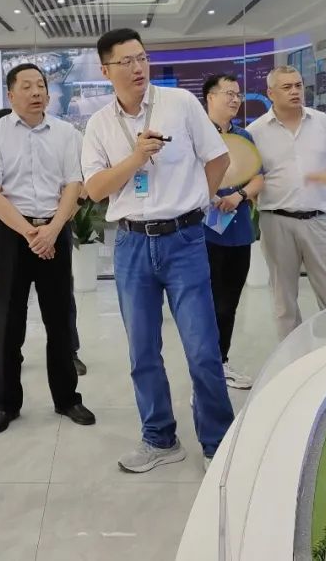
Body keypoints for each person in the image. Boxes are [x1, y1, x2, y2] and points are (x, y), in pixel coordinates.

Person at [81, 28, 234, 472]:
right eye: (126, 61)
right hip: (131, 244)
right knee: (143, 351)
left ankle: (218, 442)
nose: (138, 68)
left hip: (184, 240)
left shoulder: (180, 103)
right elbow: (95, 189)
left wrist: (198, 203)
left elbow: (218, 158)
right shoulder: (99, 124)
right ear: (106, 70)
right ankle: (159, 438)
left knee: (203, 349)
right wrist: (134, 158)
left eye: (142, 58)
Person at [0, 64, 95, 434]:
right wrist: (31, 233)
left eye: (41, 85)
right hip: (11, 233)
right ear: (10, 95)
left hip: (54, 228)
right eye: (26, 86)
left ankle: (67, 399)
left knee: (59, 319)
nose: (36, 92)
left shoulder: (65, 133)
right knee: (8, 321)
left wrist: (52, 230)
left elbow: (73, 185)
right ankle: (6, 403)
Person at [247, 66, 326, 341]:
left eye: (298, 85)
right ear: (270, 93)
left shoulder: (321, 122)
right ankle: (294, 358)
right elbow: (252, 178)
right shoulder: (255, 131)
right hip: (276, 221)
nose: (295, 91)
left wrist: (323, 180)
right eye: (287, 87)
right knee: (284, 302)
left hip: (320, 220)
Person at [201, 74, 263, 389]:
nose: (235, 99)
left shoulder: (244, 136)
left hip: (238, 232)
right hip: (205, 234)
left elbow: (258, 178)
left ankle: (221, 362)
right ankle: (206, 367)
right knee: (208, 303)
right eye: (228, 93)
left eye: (238, 94)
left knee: (229, 303)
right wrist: (212, 197)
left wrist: (238, 196)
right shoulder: (197, 134)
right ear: (210, 97)